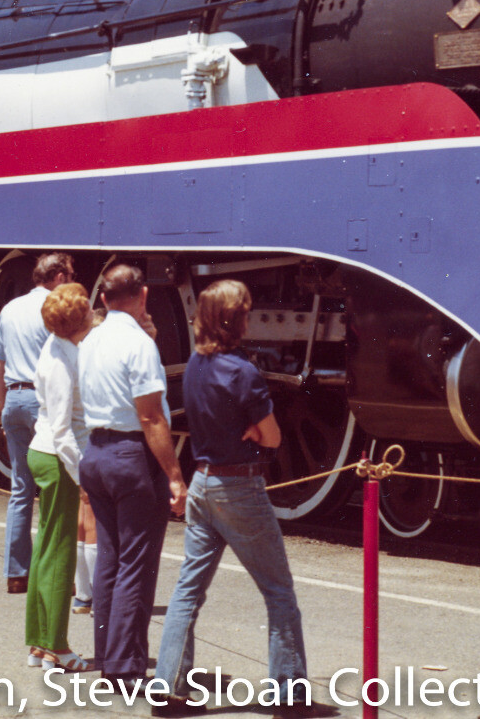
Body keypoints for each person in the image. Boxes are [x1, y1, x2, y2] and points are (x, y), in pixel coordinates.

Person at [153, 280, 307, 713]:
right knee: (278, 590)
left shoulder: (195, 367)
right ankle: (288, 693)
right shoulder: (244, 372)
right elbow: (272, 437)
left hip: (202, 484)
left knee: (187, 591)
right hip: (239, 488)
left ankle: (169, 687)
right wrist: (256, 430)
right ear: (235, 320)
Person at [77, 263, 186, 685]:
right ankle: (125, 666)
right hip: (131, 457)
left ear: (104, 299)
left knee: (110, 558)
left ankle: (108, 656)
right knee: (136, 563)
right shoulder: (139, 344)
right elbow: (151, 417)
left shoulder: (90, 340)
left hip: (96, 453)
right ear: (143, 295)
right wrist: (174, 475)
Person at [0, 252, 74, 594]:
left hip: (13, 399)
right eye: (70, 276)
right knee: (57, 487)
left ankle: (16, 573)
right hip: (43, 401)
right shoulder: (54, 309)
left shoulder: (9, 309)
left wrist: (3, 410)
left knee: (21, 489)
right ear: (58, 277)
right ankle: (54, 571)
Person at [24, 281, 95, 672]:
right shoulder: (63, 360)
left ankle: (39, 643)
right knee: (61, 551)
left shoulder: (56, 347)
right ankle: (57, 647)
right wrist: (82, 476)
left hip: (45, 452)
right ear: (78, 319)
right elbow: (64, 429)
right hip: (58, 458)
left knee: (46, 549)